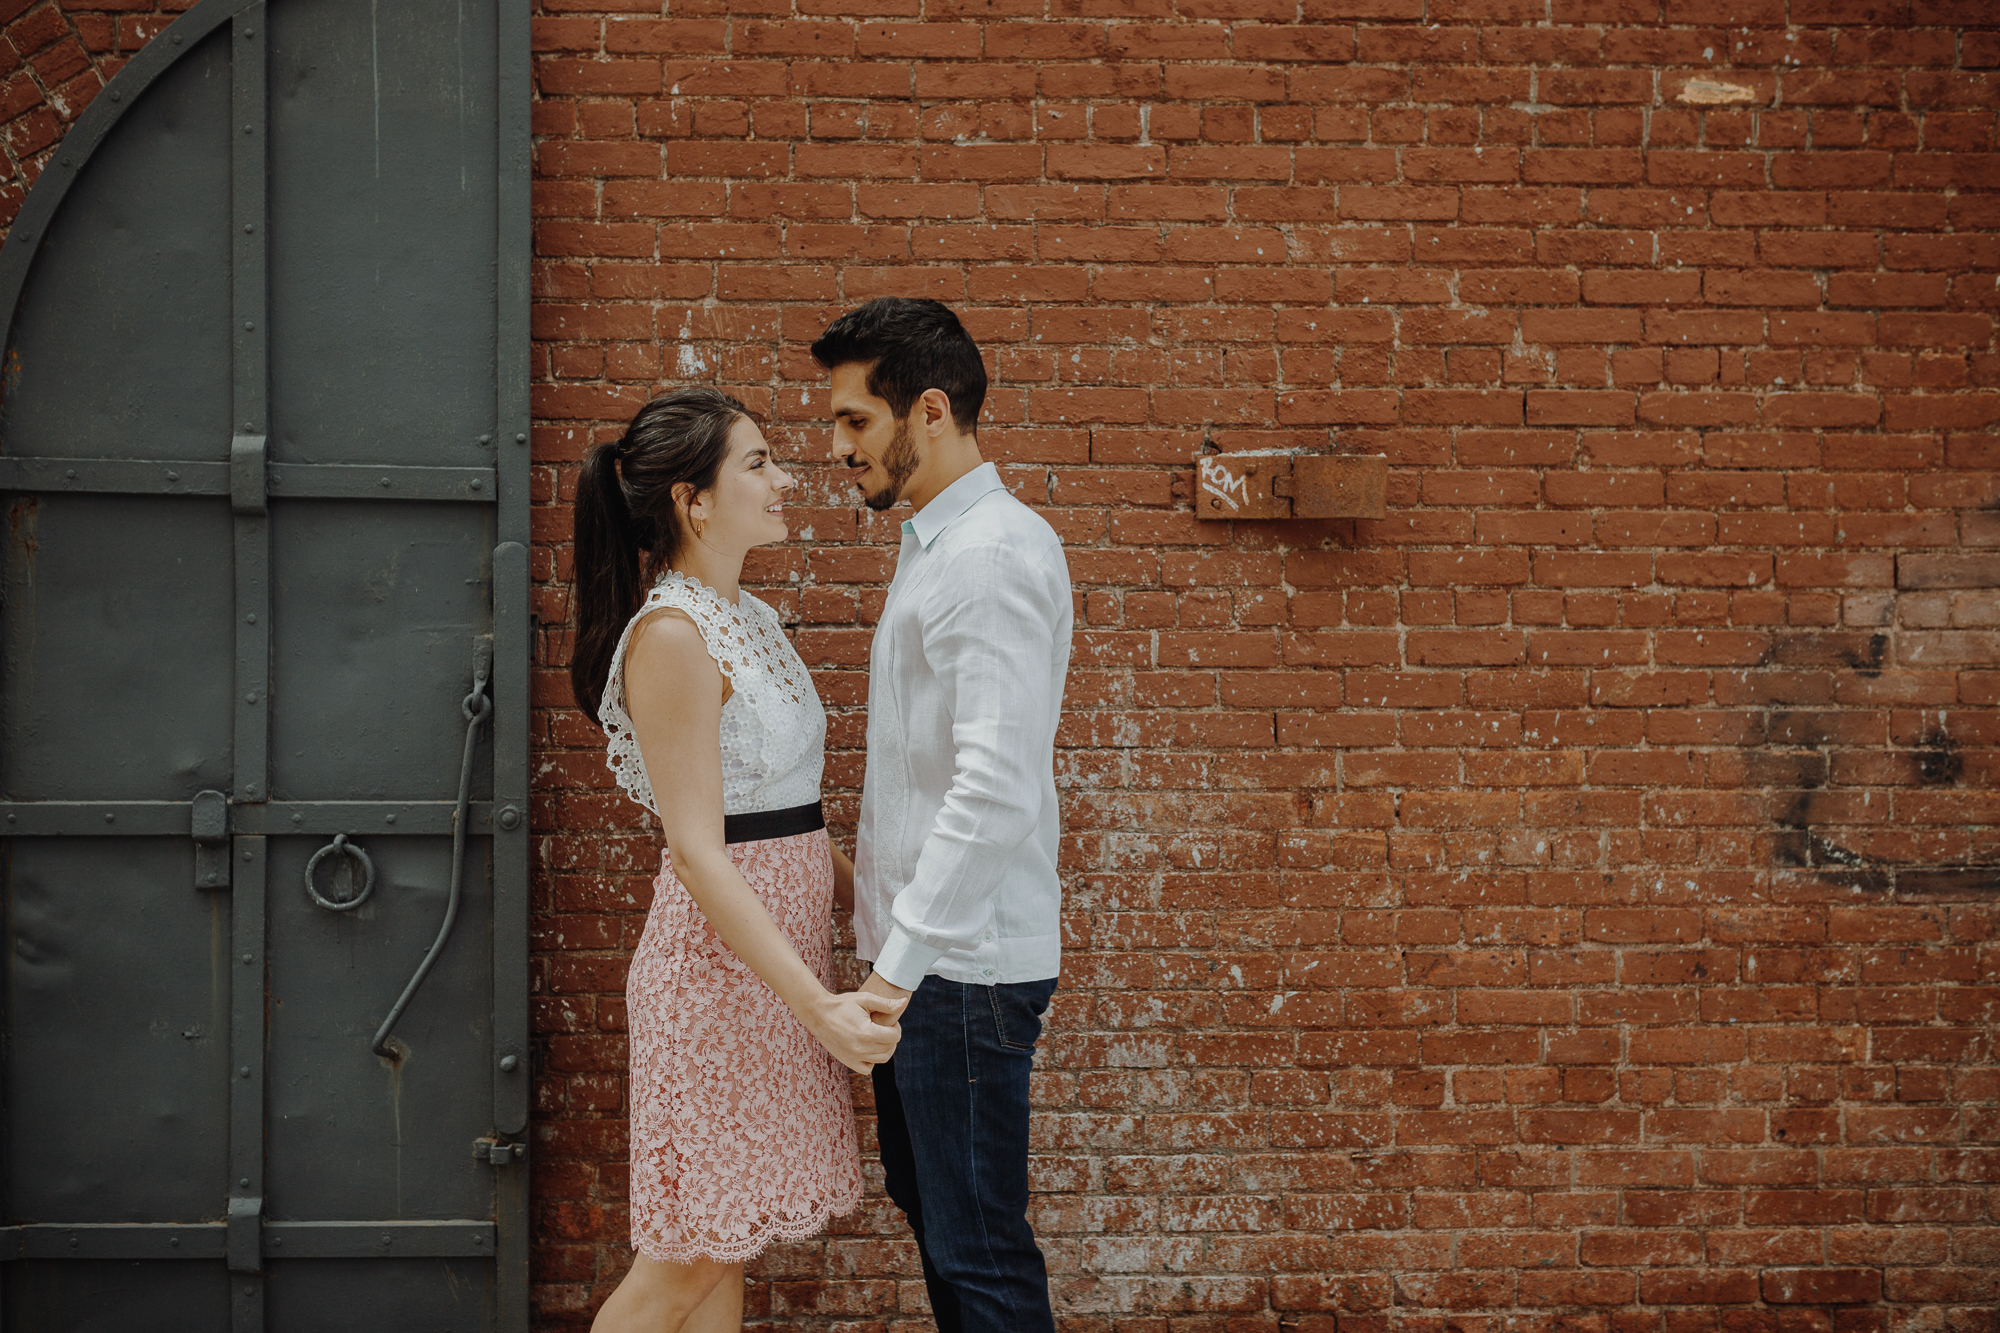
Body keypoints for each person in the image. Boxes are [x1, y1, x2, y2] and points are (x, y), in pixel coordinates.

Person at [568, 387, 906, 1333]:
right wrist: (819, 1003)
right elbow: (699, 850)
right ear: (694, 500)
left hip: (776, 973)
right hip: (718, 984)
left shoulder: (746, 613)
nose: (784, 477)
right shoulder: (672, 635)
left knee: (726, 1248)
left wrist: (882, 901)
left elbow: (788, 820)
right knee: (683, 1264)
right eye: (757, 462)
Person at [812, 298, 1074, 1333]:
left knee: (977, 1251)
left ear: (927, 410)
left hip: (957, 974)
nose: (836, 448)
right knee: (945, 1224)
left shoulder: (986, 556)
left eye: (852, 421)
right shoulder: (938, 545)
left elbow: (994, 784)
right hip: (929, 968)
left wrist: (891, 970)